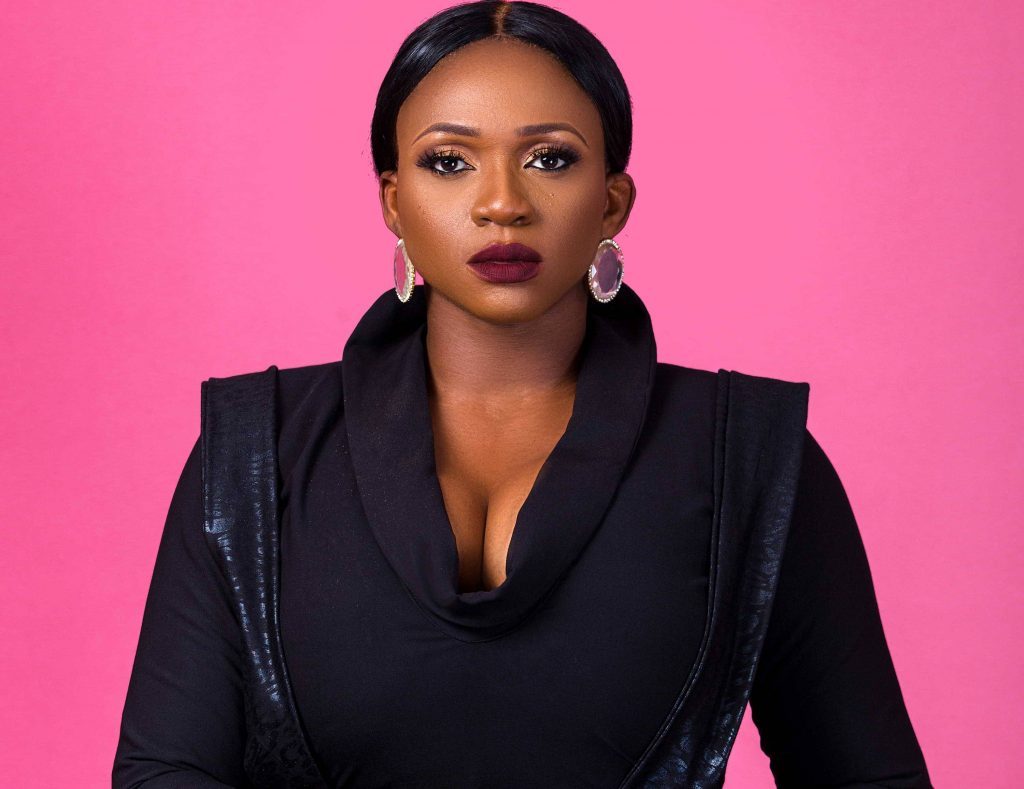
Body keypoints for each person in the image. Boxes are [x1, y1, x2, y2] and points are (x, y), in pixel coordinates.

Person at [112, 2, 932, 786]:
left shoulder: (750, 457)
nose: (502, 203)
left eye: (550, 158)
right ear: (394, 201)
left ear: (612, 199)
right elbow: (162, 771)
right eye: (449, 161)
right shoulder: (253, 456)